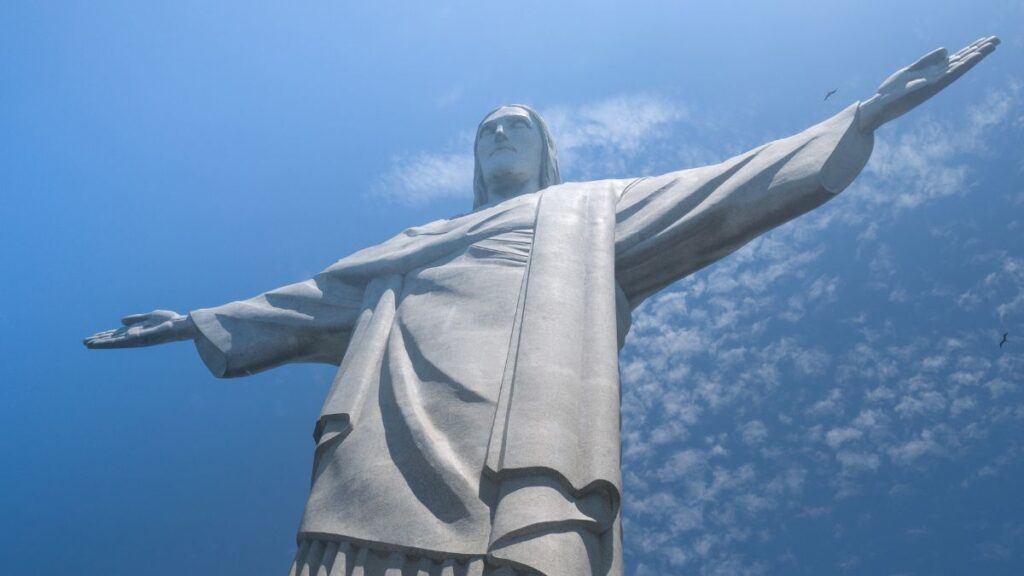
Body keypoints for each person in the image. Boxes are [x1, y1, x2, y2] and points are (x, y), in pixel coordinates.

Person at [84, 37, 999, 576]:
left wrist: (866, 115)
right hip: (391, 429)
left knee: (535, 543)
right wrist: (191, 320)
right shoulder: (402, 249)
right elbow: (307, 301)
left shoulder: (588, 214)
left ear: (548, 154)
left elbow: (726, 187)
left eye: (517, 126)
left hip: (524, 428)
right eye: (486, 131)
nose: (498, 136)